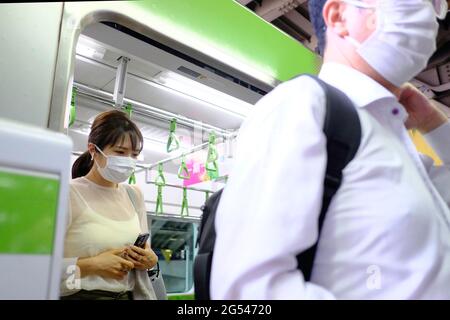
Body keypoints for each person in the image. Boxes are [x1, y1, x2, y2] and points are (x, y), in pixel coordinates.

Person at [211, 0, 450, 299]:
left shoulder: (397, 141)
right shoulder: (304, 106)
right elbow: (249, 291)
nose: (424, 10)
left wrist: (434, 123)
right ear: (338, 16)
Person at [60, 110, 158, 300]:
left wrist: (150, 260)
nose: (128, 160)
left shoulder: (133, 195)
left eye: (134, 155)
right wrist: (91, 265)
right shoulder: (68, 193)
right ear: (93, 150)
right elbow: (38, 268)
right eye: (120, 152)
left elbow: (146, 250)